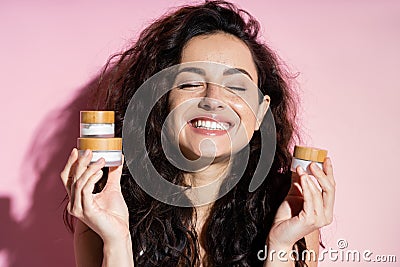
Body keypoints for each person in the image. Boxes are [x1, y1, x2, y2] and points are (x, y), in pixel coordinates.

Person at [60, 1, 335, 266]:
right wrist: (116, 239)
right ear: (161, 103)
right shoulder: (107, 201)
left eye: (237, 86)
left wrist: (281, 247)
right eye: (190, 83)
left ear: (260, 114)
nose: (213, 99)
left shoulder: (290, 209)